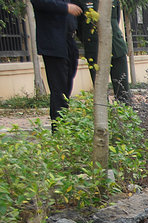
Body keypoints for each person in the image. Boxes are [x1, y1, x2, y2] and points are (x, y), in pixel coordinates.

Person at [31, 0, 83, 131]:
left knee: (67, 86)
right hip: (53, 43)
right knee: (59, 89)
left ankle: (63, 124)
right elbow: (39, 3)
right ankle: (58, 129)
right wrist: (66, 8)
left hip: (69, 41)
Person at [76, 0, 131, 104]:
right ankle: (105, 112)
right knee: (100, 91)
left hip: (116, 46)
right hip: (94, 49)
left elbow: (116, 19)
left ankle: (125, 112)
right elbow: (79, 27)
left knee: (122, 90)